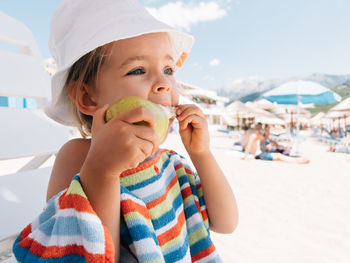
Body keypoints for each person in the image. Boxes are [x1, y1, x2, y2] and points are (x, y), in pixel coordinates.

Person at [12, 0, 238, 262]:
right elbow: (82, 251)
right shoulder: (78, 158)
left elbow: (225, 223)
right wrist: (102, 171)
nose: (164, 83)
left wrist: (202, 154)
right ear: (87, 97)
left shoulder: (170, 165)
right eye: (138, 70)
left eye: (168, 69)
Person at [244, 129, 309, 164]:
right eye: (261, 137)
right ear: (259, 134)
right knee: (278, 156)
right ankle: (298, 161)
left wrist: (267, 148)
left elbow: (261, 147)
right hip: (259, 155)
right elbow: (248, 146)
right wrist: (246, 157)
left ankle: (297, 160)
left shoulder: (258, 138)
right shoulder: (253, 137)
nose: (262, 138)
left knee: (279, 156)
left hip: (261, 153)